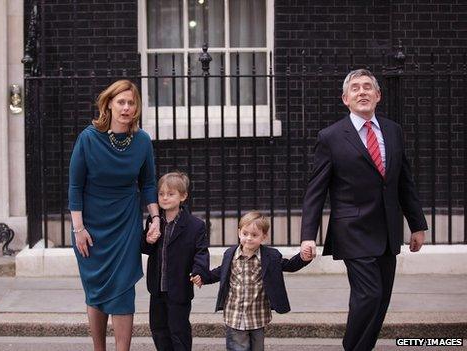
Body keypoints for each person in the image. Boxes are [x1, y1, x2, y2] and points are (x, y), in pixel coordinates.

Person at [299, 69, 428, 351]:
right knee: (369, 295)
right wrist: (308, 234)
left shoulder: (393, 131)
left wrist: (417, 225)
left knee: (381, 299)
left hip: (387, 230)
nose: (362, 92)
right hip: (353, 231)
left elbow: (404, 180)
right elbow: (315, 190)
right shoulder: (331, 137)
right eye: (355, 88)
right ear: (346, 99)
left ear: (378, 95)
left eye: (368, 87)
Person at [69, 79, 160, 351]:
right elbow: (75, 186)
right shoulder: (88, 138)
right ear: (108, 103)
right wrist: (78, 229)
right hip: (91, 227)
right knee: (95, 290)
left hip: (125, 223)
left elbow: (148, 183)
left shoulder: (142, 140)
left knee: (122, 290)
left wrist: (155, 218)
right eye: (121, 101)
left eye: (131, 103)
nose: (126, 107)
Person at [193, 211, 310, 351]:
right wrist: (203, 278)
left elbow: (290, 265)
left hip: (257, 315)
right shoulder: (230, 254)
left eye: (254, 235)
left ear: (264, 237)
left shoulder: (270, 256)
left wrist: (303, 257)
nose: (248, 238)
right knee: (238, 348)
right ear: (239, 233)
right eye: (245, 233)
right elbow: (219, 273)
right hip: (234, 315)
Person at [141, 171, 209, 351]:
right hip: (157, 288)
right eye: (161, 194)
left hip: (179, 289)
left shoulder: (195, 225)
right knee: (158, 329)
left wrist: (199, 271)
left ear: (183, 196)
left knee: (178, 331)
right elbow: (145, 248)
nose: (164, 198)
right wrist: (148, 240)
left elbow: (201, 252)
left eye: (170, 194)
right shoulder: (154, 221)